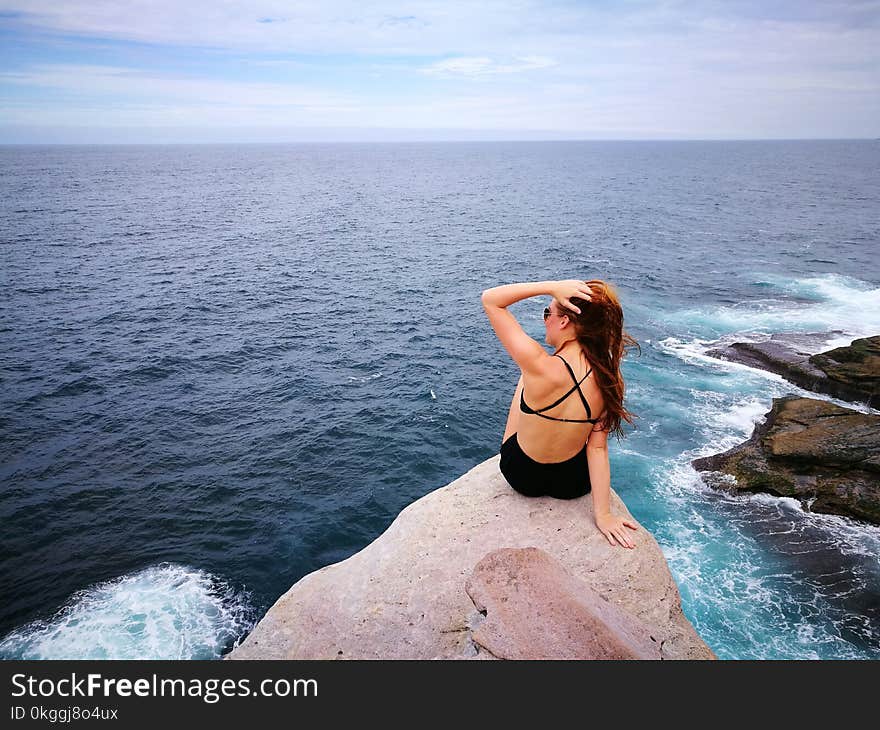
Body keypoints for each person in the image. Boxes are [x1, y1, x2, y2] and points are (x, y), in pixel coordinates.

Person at [481, 278, 640, 549]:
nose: (546, 319)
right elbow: (598, 449)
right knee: (535, 378)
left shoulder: (539, 365)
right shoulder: (608, 377)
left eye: (548, 313)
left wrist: (551, 287)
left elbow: (491, 299)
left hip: (522, 475)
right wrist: (603, 515)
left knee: (526, 376)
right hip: (573, 484)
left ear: (564, 321)